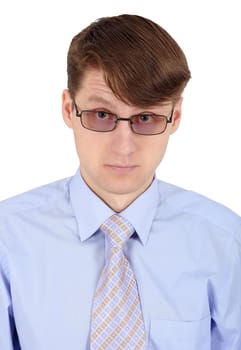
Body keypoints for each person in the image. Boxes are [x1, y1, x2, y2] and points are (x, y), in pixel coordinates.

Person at [0, 14, 240, 350]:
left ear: (176, 117)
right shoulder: (8, 238)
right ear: (69, 110)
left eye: (146, 117)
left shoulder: (225, 240)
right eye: (102, 115)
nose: (124, 146)